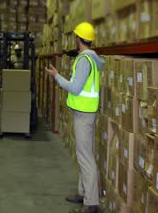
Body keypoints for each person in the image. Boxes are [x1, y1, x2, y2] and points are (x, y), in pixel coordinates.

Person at [45, 22, 104, 213]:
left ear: (78, 39)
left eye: (75, 37)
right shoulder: (90, 59)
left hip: (84, 114)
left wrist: (57, 77)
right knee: (83, 154)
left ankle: (91, 203)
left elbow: (76, 88)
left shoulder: (85, 60)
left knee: (85, 157)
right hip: (85, 113)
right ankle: (83, 192)